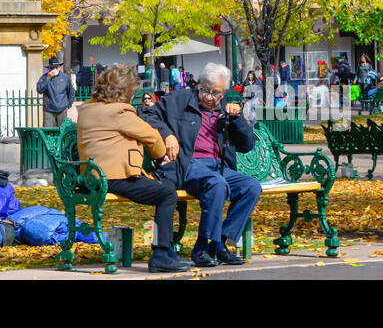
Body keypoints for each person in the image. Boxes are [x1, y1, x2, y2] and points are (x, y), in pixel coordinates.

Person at [142, 62, 260, 267]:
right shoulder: (178, 100)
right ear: (198, 85)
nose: (208, 96)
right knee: (216, 184)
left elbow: (247, 145)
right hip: (188, 164)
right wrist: (167, 135)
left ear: (224, 93)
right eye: (205, 90)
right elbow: (146, 114)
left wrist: (237, 118)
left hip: (220, 167)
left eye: (215, 93)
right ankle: (202, 247)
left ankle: (219, 244)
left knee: (251, 187)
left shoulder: (227, 109)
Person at [77, 64, 192, 273]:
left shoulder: (87, 108)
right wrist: (159, 156)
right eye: (132, 92)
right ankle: (161, 253)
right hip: (113, 178)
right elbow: (152, 136)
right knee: (167, 193)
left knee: (164, 187)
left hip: (90, 177)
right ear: (123, 92)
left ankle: (165, 251)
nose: (133, 96)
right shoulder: (119, 111)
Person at [37, 59, 74, 127]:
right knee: (48, 133)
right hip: (48, 110)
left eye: (56, 67)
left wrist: (68, 104)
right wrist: (48, 78)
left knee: (62, 133)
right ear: (49, 68)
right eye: (52, 68)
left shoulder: (65, 77)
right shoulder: (44, 77)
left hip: (62, 110)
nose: (54, 69)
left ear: (59, 67)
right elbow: (39, 90)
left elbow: (71, 91)